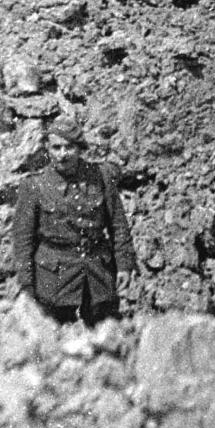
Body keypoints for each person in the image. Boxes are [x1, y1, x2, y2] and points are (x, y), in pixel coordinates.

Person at [12, 112, 138, 326]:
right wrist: (26, 285)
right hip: (54, 278)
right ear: (48, 149)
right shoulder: (34, 186)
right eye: (56, 148)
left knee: (105, 336)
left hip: (98, 275)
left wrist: (124, 266)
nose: (62, 154)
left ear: (80, 148)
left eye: (69, 147)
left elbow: (118, 224)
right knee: (53, 343)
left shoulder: (101, 176)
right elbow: (23, 240)